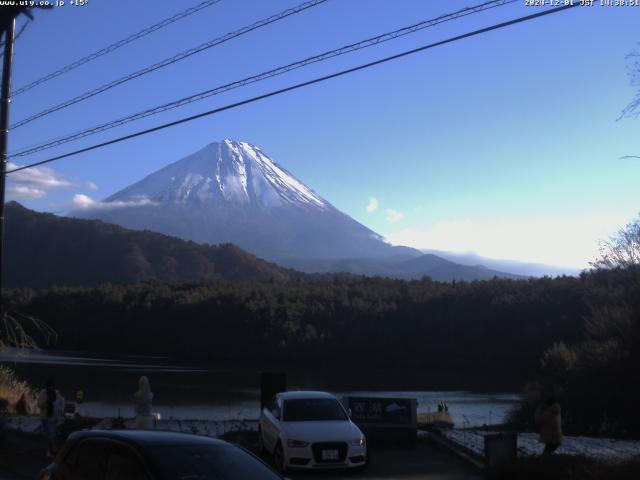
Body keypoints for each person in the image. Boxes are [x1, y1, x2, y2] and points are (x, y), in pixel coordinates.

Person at [37, 380, 65, 457]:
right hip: (45, 417)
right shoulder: (43, 393)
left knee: (53, 435)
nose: (51, 388)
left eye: (52, 386)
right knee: (47, 435)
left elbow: (62, 402)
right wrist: (45, 402)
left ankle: (53, 450)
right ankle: (49, 451)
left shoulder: (57, 393)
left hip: (54, 417)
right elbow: (39, 404)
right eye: (49, 386)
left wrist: (61, 411)